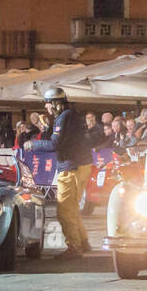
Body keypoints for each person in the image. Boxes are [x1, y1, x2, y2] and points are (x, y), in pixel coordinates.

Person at [27, 87, 91, 257]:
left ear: (55, 104)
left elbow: (54, 144)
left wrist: (33, 144)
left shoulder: (64, 117)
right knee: (72, 207)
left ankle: (74, 247)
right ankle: (83, 242)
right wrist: (47, 127)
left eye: (48, 104)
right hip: (79, 164)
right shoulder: (69, 115)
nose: (47, 108)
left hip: (71, 166)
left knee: (64, 210)